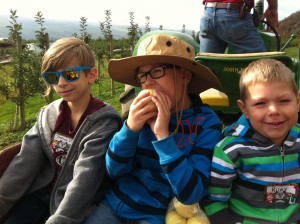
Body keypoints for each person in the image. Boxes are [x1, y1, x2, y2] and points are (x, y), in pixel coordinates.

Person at [83, 30, 223, 224]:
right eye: (142, 76)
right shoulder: (140, 116)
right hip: (115, 206)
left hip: (157, 216)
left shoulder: (206, 124)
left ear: (185, 76)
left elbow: (191, 193)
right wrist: (130, 129)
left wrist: (163, 135)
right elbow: (115, 171)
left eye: (157, 71)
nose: (147, 81)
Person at [0, 37, 122, 224]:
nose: (61, 82)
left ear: (91, 75)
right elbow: (24, 163)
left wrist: (62, 219)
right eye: (52, 77)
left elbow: (86, 177)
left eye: (70, 74)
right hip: (40, 195)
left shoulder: (103, 122)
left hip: (77, 206)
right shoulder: (50, 115)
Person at [203, 58, 300, 223]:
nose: (274, 110)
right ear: (244, 109)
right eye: (260, 103)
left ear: (298, 101)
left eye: (284, 101)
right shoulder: (230, 150)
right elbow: (215, 202)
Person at [199, 0, 279, 53]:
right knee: (263, 65)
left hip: (207, 15)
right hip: (234, 15)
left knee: (207, 66)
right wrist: (273, 8)